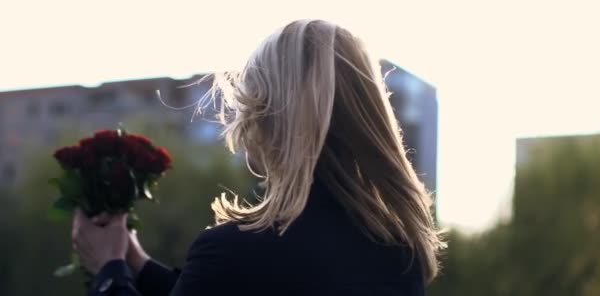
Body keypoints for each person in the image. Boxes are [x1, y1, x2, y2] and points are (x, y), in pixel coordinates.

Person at [71, 19, 445, 296]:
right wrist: (137, 265)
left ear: (264, 119)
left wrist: (109, 272)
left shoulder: (231, 252)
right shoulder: (397, 253)